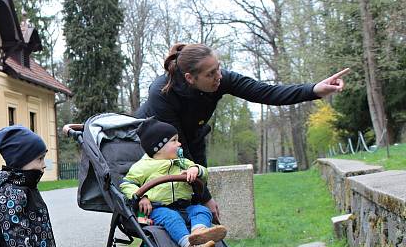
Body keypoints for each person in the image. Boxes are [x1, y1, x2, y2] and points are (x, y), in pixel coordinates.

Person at [133, 42, 349, 221]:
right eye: (211, 73)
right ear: (190, 78)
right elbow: (180, 152)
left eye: (219, 68)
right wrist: (206, 196)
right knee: (177, 203)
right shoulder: (162, 94)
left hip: (194, 141)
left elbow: (267, 93)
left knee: (199, 205)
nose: (219, 76)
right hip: (157, 151)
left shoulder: (219, 79)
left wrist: (314, 90)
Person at [119, 119, 227, 247]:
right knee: (172, 217)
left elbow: (204, 172)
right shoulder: (142, 167)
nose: (179, 144)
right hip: (159, 209)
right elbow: (126, 184)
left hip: (184, 206)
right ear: (158, 147)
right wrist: (141, 196)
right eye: (174, 140)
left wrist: (195, 169)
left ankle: (199, 234)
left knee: (202, 210)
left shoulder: (183, 162)